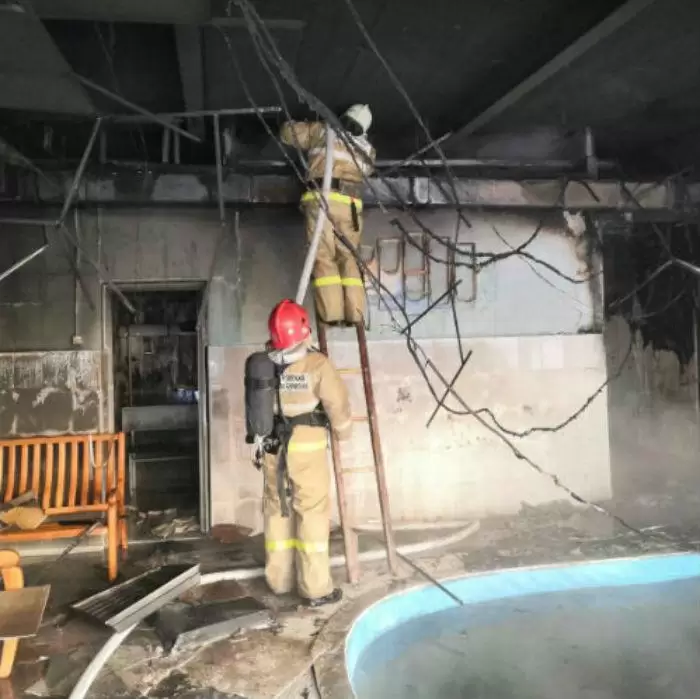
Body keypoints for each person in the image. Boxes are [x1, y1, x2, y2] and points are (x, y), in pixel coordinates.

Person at [263, 299, 352, 606]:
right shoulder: (317, 365)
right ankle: (315, 589)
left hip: (272, 450)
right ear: (303, 329)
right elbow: (337, 404)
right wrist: (343, 432)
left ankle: (279, 581)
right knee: (311, 513)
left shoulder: (263, 365)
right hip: (307, 453)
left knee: (277, 510)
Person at [280, 105, 375, 325]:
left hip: (322, 201)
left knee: (323, 255)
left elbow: (288, 134)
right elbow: (367, 170)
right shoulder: (368, 150)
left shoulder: (324, 131)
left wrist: (291, 121)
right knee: (349, 257)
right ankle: (355, 314)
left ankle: (332, 314)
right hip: (350, 206)